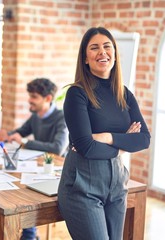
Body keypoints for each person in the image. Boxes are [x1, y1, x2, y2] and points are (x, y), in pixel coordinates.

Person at [57, 27, 151, 240]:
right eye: (94, 48)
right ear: (86, 58)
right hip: (82, 187)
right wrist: (123, 144)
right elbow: (86, 147)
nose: (102, 52)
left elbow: (144, 139)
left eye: (107, 46)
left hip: (117, 185)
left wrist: (107, 137)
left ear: (115, 55)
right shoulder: (77, 94)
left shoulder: (124, 94)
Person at [0, 77, 69, 240]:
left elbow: (58, 148)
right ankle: (29, 232)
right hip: (38, 167)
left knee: (26, 188)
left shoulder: (62, 118)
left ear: (48, 99)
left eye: (34, 97)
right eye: (30, 96)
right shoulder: (36, 116)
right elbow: (21, 132)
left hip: (57, 170)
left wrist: (25, 141)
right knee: (13, 181)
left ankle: (28, 233)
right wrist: (6, 135)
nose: (30, 100)